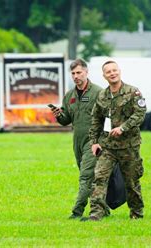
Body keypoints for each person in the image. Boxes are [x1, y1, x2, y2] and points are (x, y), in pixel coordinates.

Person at [82, 60, 146, 221]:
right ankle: (96, 213)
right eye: (108, 71)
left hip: (128, 146)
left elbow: (140, 113)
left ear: (119, 72)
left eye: (114, 70)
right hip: (108, 147)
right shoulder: (102, 96)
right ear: (104, 76)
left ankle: (136, 213)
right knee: (99, 178)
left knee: (131, 181)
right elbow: (96, 119)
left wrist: (123, 128)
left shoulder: (133, 92)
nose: (112, 73)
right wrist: (94, 142)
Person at [50, 58, 102, 219]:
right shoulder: (69, 95)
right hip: (77, 142)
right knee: (90, 178)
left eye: (79, 72)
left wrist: (101, 141)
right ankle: (103, 209)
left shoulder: (98, 93)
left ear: (86, 72)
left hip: (93, 141)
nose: (76, 76)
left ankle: (77, 211)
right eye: (73, 73)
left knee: (85, 177)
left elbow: (108, 117)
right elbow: (66, 120)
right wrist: (59, 115)